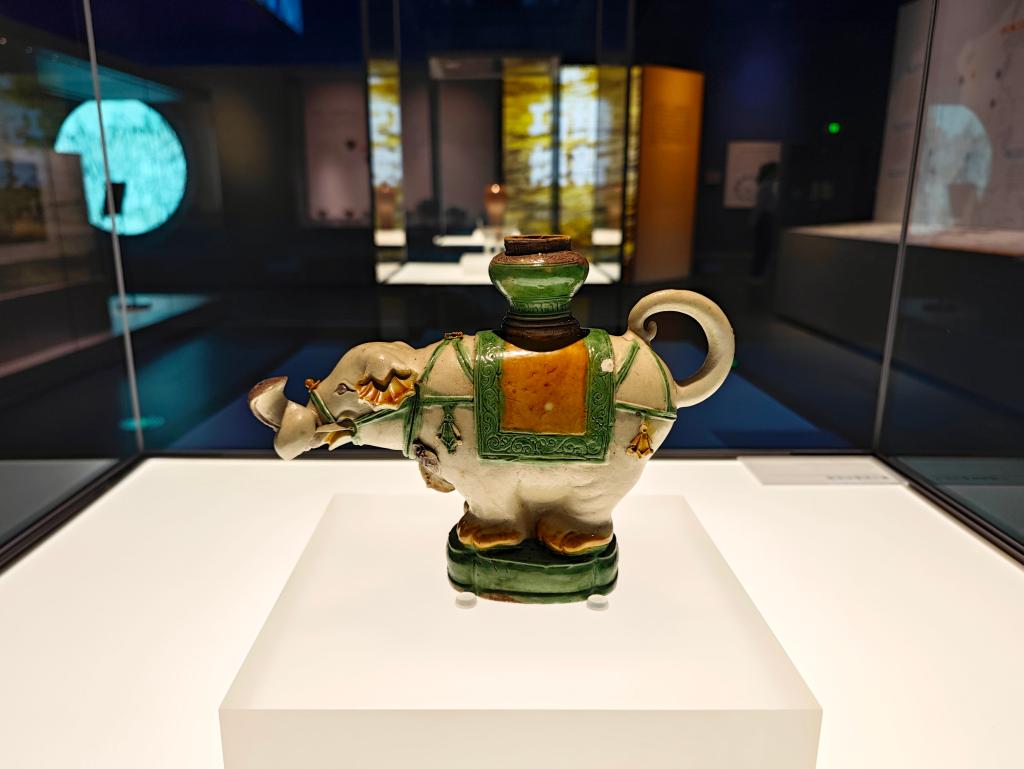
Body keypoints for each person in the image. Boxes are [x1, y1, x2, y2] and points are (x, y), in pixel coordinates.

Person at [750, 161, 779, 280]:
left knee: (763, 247)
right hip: (764, 219)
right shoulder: (767, 186)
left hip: (765, 218)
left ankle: (758, 274)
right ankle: (757, 274)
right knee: (763, 247)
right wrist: (754, 220)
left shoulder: (767, 185)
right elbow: (761, 206)